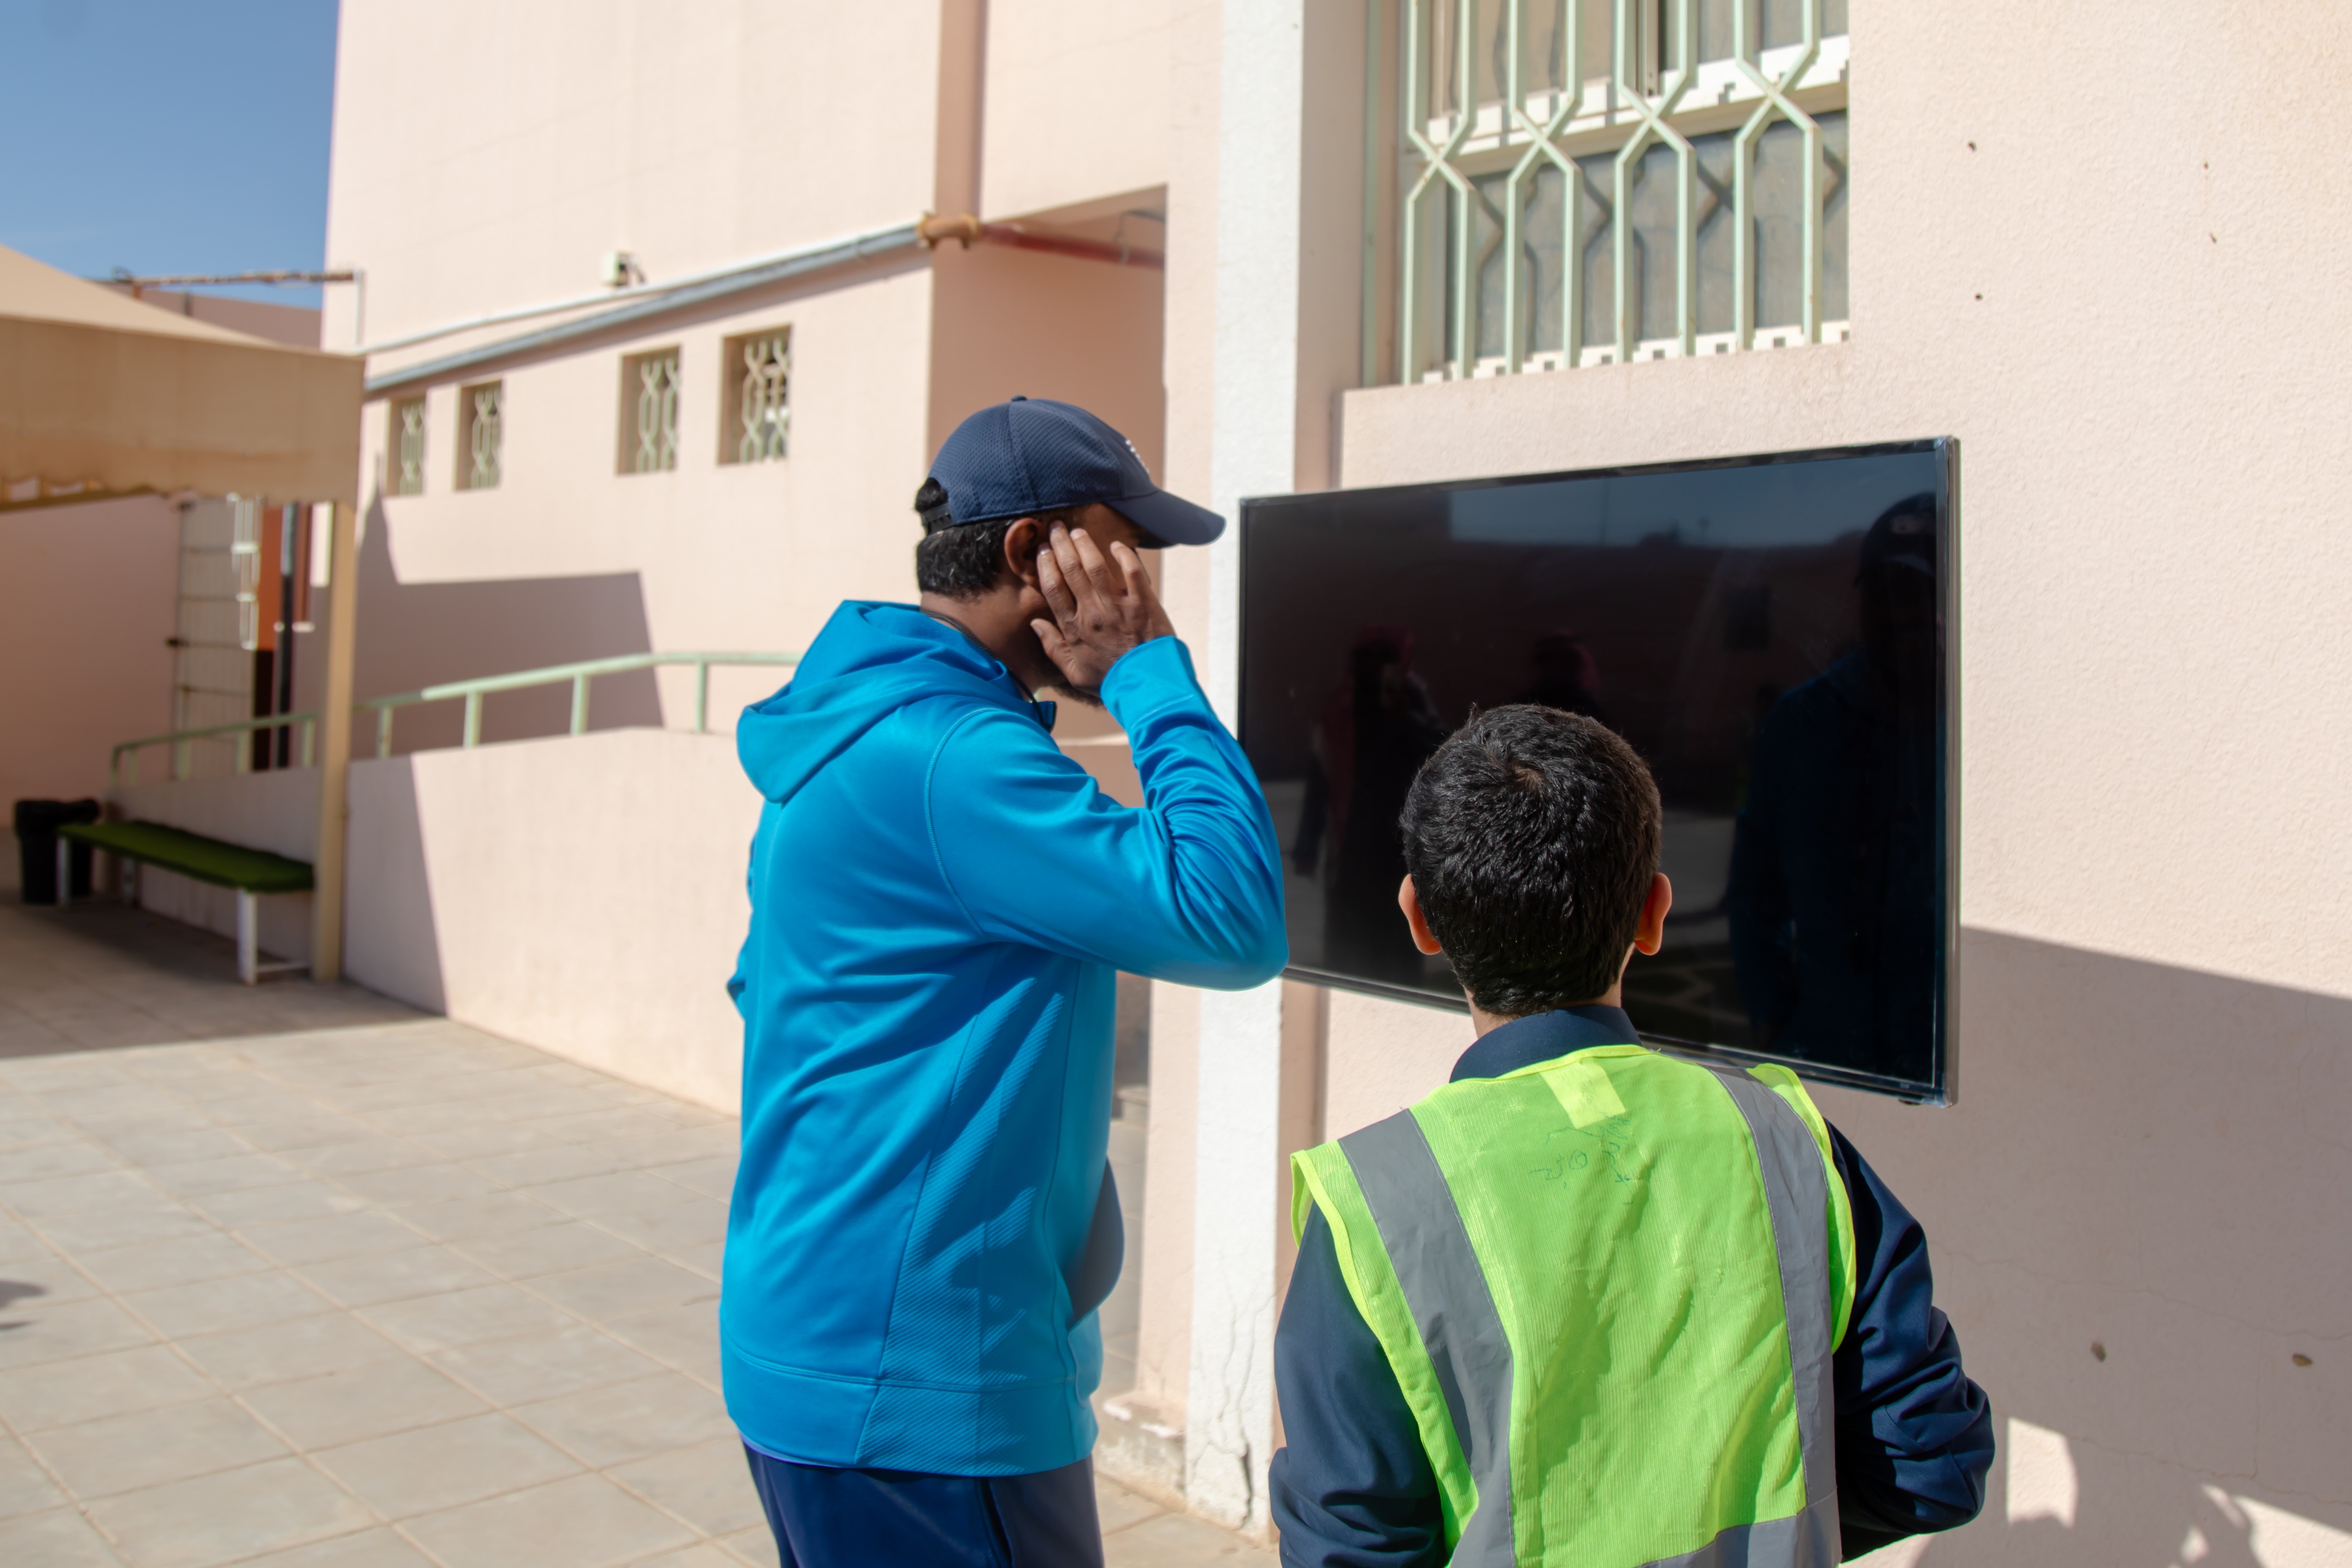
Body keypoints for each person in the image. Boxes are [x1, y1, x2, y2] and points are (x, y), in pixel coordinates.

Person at [725, 397, 1288, 1566]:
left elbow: (774, 991)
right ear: (1038, 551)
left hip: (830, 1351)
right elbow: (1231, 918)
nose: (1143, 580)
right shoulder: (953, 757)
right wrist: (1149, 680)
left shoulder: (856, 725)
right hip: (922, 1389)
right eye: (1124, 542)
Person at [1269, 704, 1992, 1566]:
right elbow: (1936, 1461)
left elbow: (1347, 1548)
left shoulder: (1373, 1204)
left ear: (1418, 919)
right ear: (1654, 915)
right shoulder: (1792, 1145)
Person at [1727, 493, 1942, 1075]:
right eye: (1884, 591)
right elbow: (1755, 889)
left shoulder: (1973, 731)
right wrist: (1773, 1017)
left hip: (1940, 1050)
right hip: (1824, 1045)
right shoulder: (1804, 724)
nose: (1901, 613)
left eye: (1918, 593)